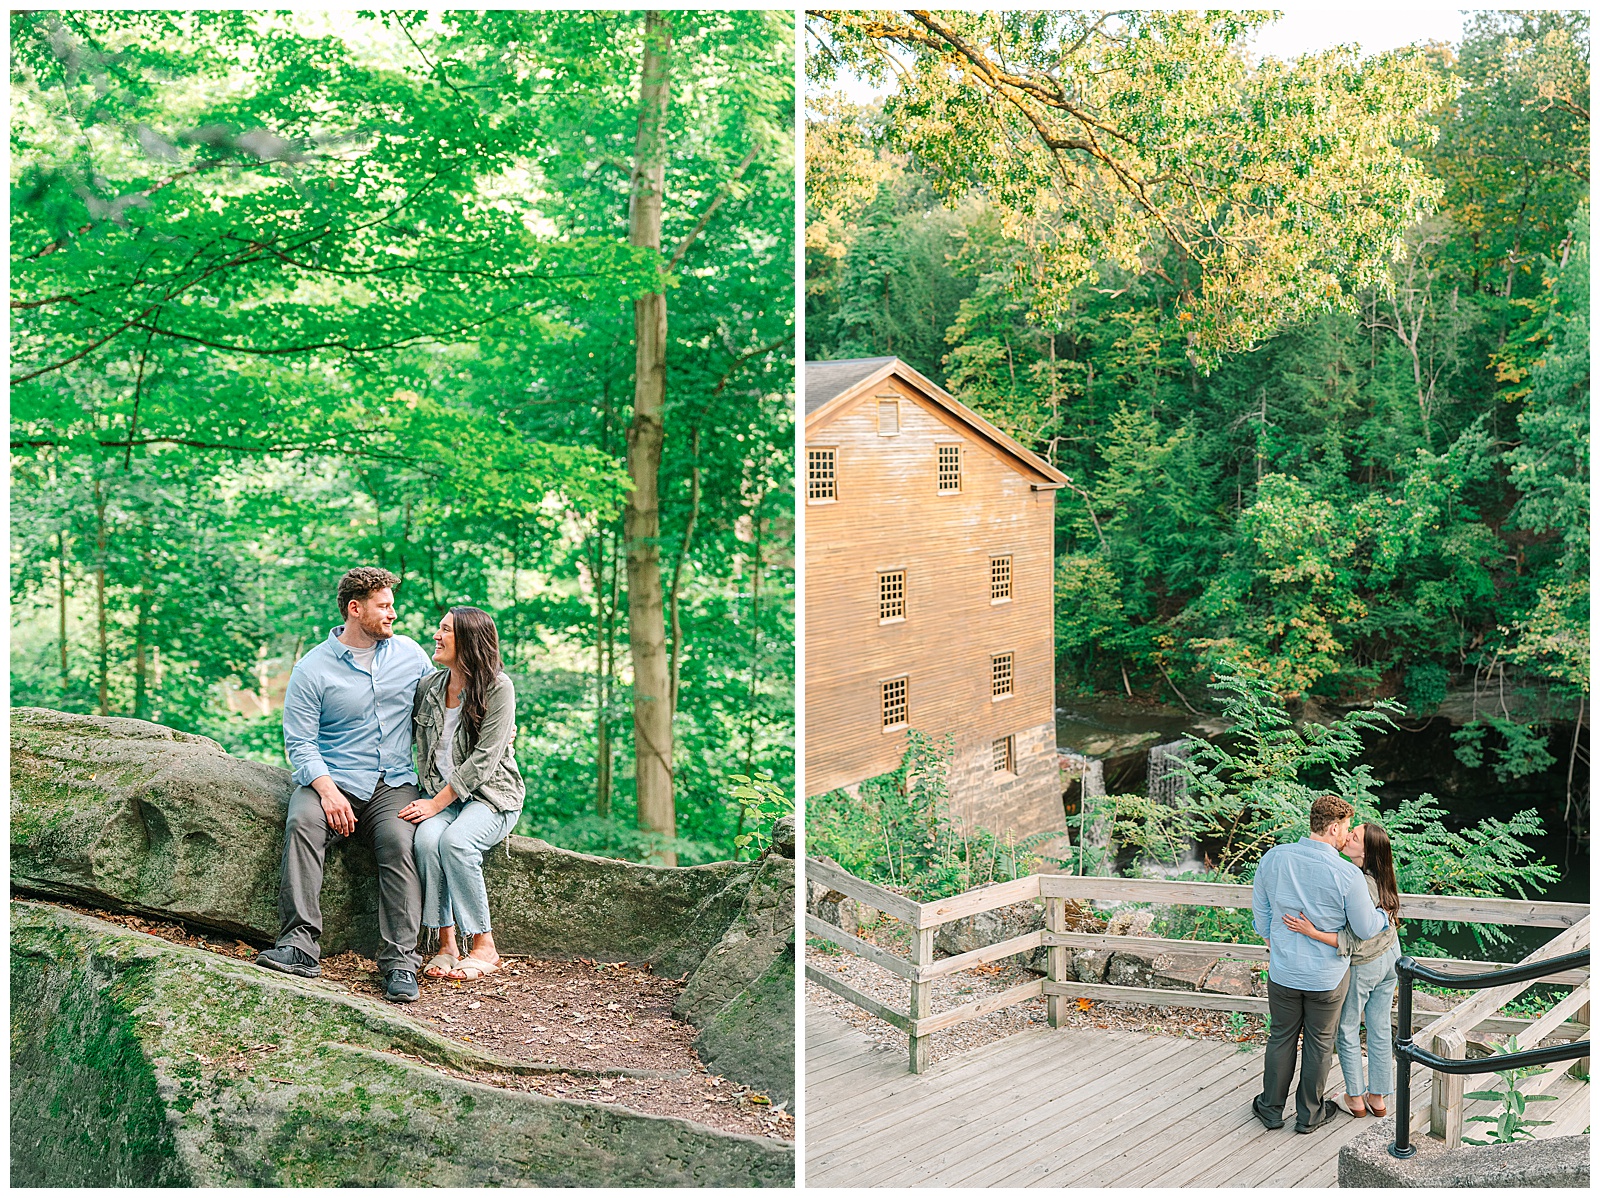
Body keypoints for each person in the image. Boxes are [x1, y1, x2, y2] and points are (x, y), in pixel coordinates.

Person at [257, 567, 436, 1003]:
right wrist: (327, 790)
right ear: (356, 609)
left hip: (394, 782)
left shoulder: (411, 655)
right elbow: (299, 742)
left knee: (399, 841)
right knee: (302, 822)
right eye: (385, 605)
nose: (393, 612)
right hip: (335, 779)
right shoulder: (312, 668)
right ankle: (299, 946)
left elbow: (444, 704)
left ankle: (399, 963)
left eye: (392, 604)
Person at [1250, 794, 1390, 1133]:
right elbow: (1365, 928)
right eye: (1344, 829)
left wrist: (1277, 945)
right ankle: (1309, 1115)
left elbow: (1261, 916)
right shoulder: (1346, 874)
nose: (1346, 837)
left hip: (1283, 971)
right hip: (1326, 977)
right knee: (1319, 1042)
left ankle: (1270, 1110)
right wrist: (1383, 915)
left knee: (1281, 1036)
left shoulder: (1274, 858)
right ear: (1331, 828)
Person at [401, 606, 526, 982]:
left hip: (491, 797)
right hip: (441, 794)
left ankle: (485, 945)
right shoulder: (429, 687)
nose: (436, 636)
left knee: (455, 842)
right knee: (425, 840)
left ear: (469, 640)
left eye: (445, 631)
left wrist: (435, 803)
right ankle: (446, 945)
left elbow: (485, 760)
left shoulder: (498, 688)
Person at [1282, 821, 1403, 1117]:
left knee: (1347, 1029)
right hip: (1391, 958)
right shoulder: (1383, 877)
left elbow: (1354, 936)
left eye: (1356, 836)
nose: (1348, 837)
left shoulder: (1358, 881)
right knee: (1379, 1027)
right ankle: (1378, 1097)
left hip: (1365, 964)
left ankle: (1355, 1099)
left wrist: (1312, 932)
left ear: (1367, 850)